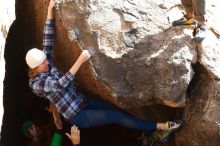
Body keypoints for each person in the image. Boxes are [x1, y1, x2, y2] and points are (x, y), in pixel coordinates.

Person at [25, 0, 184, 143]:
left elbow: (48, 39)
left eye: (45, 59)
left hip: (82, 101)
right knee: (118, 117)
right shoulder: (37, 84)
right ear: (35, 68)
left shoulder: (45, 63)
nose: (47, 61)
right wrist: (80, 61)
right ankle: (164, 127)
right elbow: (60, 84)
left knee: (118, 111)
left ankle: (153, 133)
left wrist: (49, 9)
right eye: (43, 62)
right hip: (77, 115)